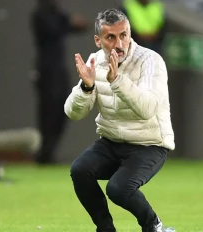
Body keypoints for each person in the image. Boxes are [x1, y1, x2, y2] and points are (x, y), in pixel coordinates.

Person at [64, 8, 176, 232]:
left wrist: (117, 81)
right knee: (80, 170)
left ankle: (154, 226)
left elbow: (147, 109)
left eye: (123, 35)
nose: (119, 43)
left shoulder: (151, 61)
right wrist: (86, 87)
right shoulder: (95, 61)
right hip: (112, 141)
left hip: (149, 143)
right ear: (98, 40)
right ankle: (105, 229)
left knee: (119, 189)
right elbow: (73, 113)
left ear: (130, 33)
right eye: (111, 37)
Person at [30, 0, 87, 164]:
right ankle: (44, 154)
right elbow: (54, 29)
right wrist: (70, 23)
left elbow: (77, 25)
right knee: (48, 111)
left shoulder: (57, 12)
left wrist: (73, 23)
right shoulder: (40, 14)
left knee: (65, 107)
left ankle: (49, 150)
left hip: (59, 68)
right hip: (46, 69)